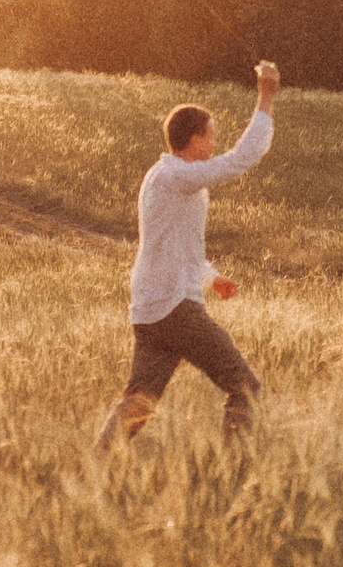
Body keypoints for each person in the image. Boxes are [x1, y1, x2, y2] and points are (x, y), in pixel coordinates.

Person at [96, 61, 280, 448]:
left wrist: (211, 278)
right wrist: (265, 97)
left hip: (150, 309)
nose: (214, 145)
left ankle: (93, 467)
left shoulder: (166, 178)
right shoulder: (175, 177)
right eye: (211, 137)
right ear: (194, 140)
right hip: (176, 308)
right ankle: (231, 473)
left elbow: (179, 246)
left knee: (139, 402)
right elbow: (240, 159)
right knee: (245, 387)